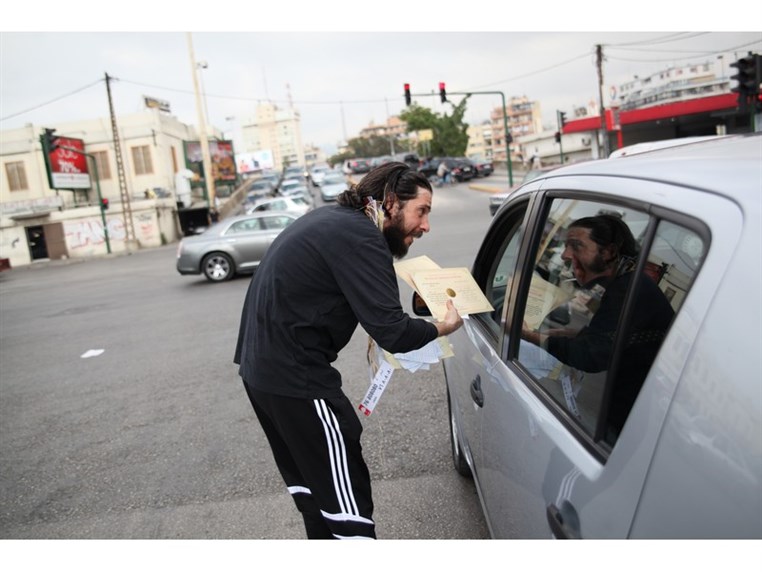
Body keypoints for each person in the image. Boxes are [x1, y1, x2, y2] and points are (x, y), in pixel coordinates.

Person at [234, 161, 463, 539]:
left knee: (317, 500)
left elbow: (373, 307)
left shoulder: (336, 221)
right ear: (391, 201)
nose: (426, 226)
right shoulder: (361, 237)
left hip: (263, 375)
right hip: (296, 378)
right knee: (348, 509)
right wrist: (444, 325)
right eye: (421, 211)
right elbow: (393, 332)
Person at [522, 214, 674, 436]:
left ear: (609, 252)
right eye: (565, 246)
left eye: (576, 246)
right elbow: (619, 338)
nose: (565, 255)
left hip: (628, 419)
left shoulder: (627, 291)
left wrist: (528, 335)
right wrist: (578, 333)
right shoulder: (629, 285)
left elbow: (591, 356)